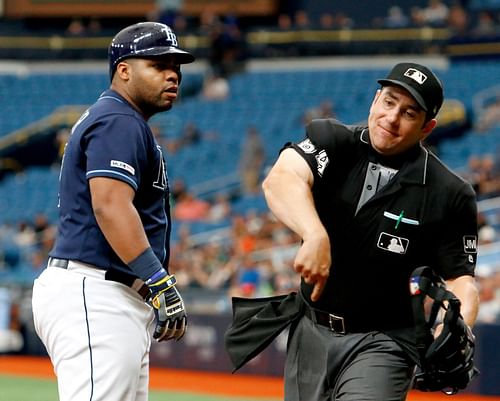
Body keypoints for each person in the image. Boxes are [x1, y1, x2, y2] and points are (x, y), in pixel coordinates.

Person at [227, 63, 480, 400]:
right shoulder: (333, 141)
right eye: (389, 102)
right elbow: (280, 179)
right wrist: (315, 234)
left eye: (408, 112)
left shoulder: (449, 192)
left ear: (427, 127)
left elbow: (460, 279)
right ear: (375, 100)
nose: (392, 117)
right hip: (310, 332)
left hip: (384, 342)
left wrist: (458, 323)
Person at [31, 22, 194, 401]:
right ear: (124, 70)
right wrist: (159, 280)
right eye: (158, 64)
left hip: (108, 295)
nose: (173, 74)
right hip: (97, 294)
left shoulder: (119, 119)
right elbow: (109, 205)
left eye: (176, 67)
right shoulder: (119, 120)